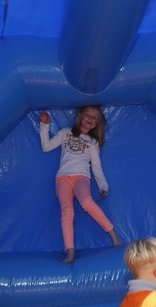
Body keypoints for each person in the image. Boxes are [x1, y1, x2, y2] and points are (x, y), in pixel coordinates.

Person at [38, 106, 121, 263]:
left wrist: (103, 185)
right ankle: (70, 251)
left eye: (95, 118)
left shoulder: (92, 142)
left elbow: (96, 166)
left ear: (97, 124)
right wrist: (44, 125)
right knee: (66, 212)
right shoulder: (66, 132)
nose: (90, 119)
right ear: (80, 116)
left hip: (81, 177)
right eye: (88, 115)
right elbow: (46, 147)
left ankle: (113, 235)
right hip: (62, 178)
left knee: (87, 202)